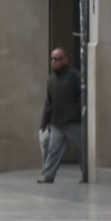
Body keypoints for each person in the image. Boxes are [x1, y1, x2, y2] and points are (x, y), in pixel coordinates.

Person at [38, 48, 85, 185]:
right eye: (52, 59)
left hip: (73, 122)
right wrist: (43, 123)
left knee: (80, 151)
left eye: (57, 59)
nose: (54, 62)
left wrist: (77, 111)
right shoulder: (51, 80)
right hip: (57, 123)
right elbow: (49, 103)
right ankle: (48, 175)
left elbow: (82, 95)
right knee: (53, 150)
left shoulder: (74, 76)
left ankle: (86, 175)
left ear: (65, 60)